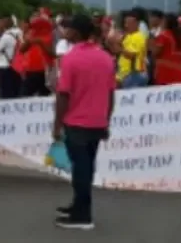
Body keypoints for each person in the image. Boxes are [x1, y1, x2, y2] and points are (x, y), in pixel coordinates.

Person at [52, 14, 115, 230]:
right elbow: (110, 94)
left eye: (69, 29)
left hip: (77, 121)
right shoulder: (106, 58)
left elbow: (63, 95)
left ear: (76, 33)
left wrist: (57, 125)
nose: (65, 32)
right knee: (87, 166)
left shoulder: (70, 58)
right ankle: (78, 205)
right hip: (97, 121)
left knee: (80, 169)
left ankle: (83, 215)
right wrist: (106, 121)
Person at [150, 13, 181, 86]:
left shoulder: (163, 36)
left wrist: (151, 38)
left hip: (166, 74)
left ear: (166, 23)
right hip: (180, 74)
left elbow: (155, 52)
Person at [116, 10, 147, 88]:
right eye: (125, 23)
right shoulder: (128, 36)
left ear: (136, 23)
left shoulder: (139, 37)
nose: (126, 25)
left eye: (128, 23)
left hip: (134, 75)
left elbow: (131, 55)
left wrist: (119, 48)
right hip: (124, 75)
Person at [0, 15, 22, 99]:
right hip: (15, 66)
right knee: (14, 93)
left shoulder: (5, 37)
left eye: (1, 22)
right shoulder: (19, 32)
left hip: (3, 67)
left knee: (4, 94)